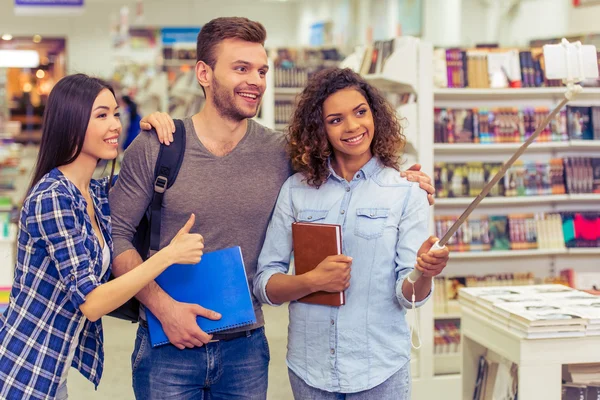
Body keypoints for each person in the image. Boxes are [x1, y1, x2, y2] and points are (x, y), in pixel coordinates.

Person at [110, 17, 436, 400]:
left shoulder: (282, 154)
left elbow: (348, 167)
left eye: (262, 70)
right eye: (241, 68)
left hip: (245, 349)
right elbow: (116, 237)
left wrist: (405, 179)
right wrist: (164, 309)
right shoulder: (157, 146)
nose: (256, 80)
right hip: (168, 343)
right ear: (203, 72)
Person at [0, 74, 206, 400]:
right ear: (71, 124)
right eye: (101, 115)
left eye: (115, 112)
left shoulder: (94, 193)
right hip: (23, 367)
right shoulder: (52, 197)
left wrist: (150, 128)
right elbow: (92, 303)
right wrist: (168, 255)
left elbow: (136, 184)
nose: (114, 124)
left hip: (53, 367)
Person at [253, 67, 450, 400]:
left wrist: (424, 272)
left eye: (361, 112)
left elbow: (408, 296)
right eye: (335, 119)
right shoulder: (296, 191)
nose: (353, 126)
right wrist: (312, 281)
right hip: (309, 369)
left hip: (380, 370)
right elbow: (265, 284)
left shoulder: (405, 192)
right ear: (320, 129)